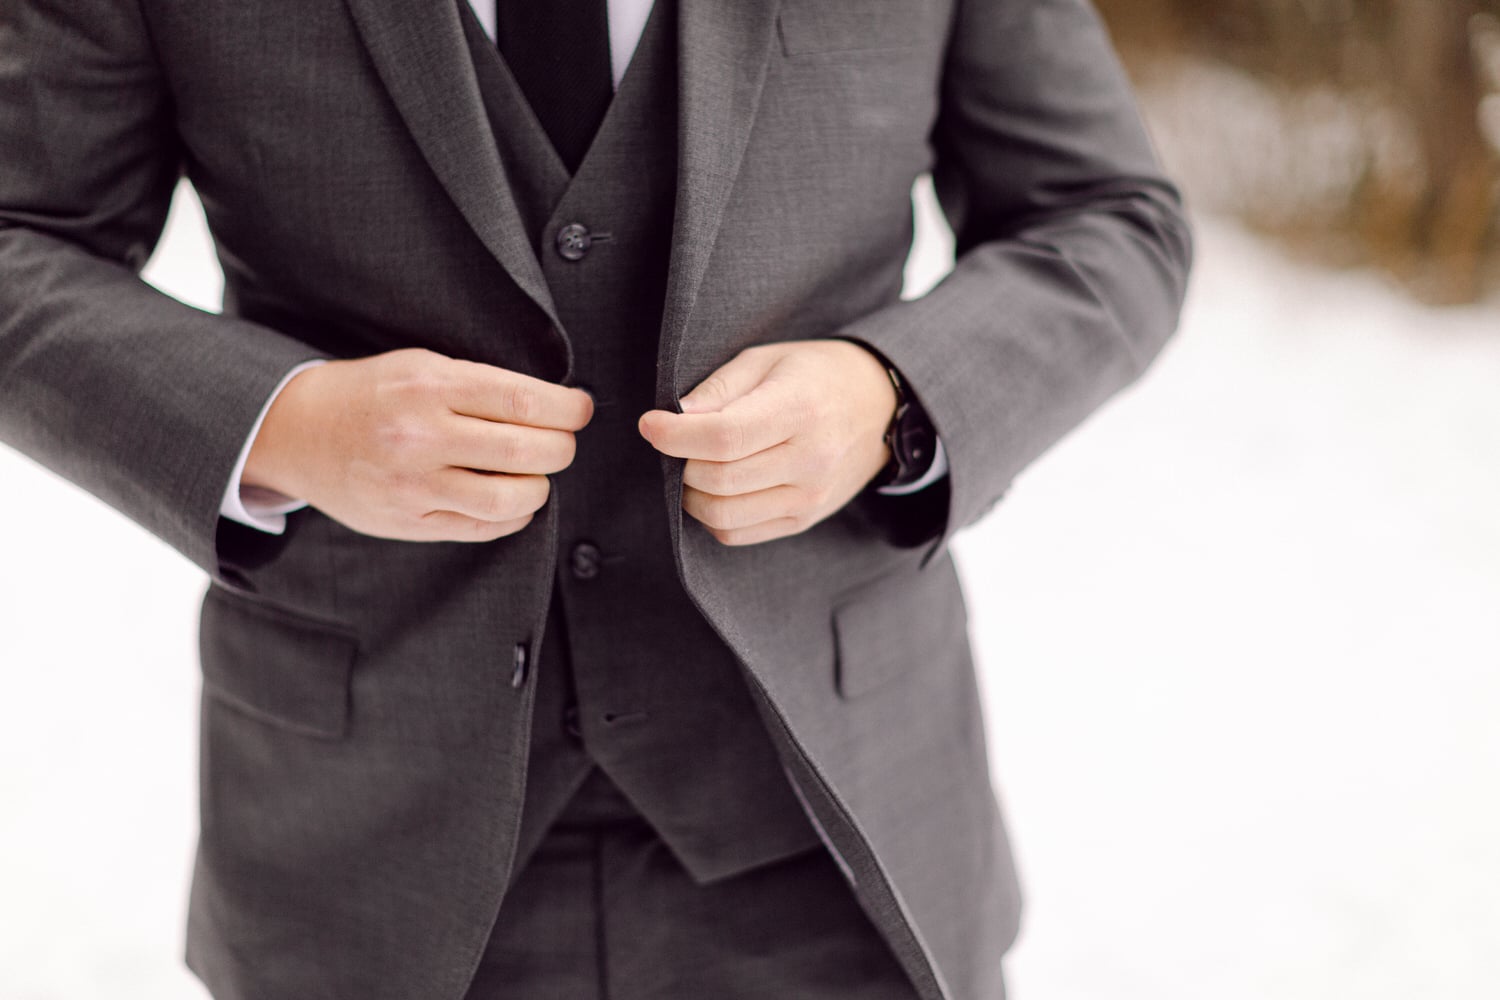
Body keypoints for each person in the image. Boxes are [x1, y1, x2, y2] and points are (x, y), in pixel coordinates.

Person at [0, 0, 1192, 997]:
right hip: (368, 857)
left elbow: (1110, 217)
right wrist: (294, 426)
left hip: (837, 839)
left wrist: (888, 399)